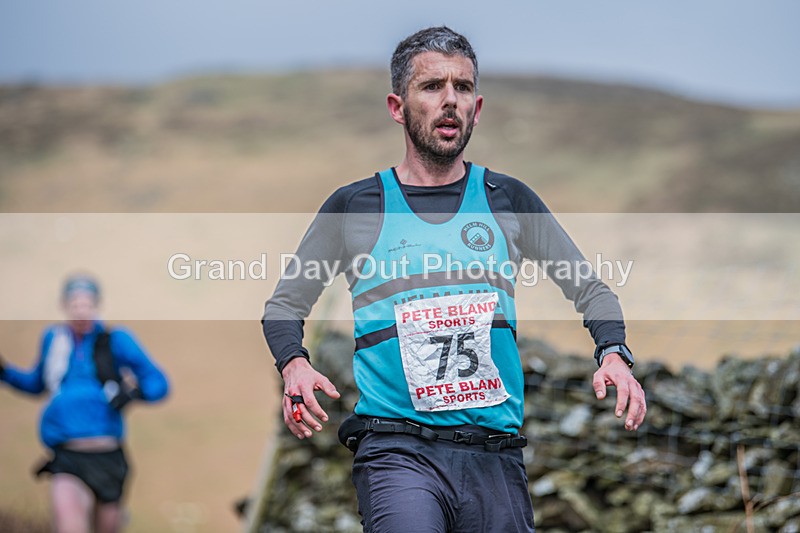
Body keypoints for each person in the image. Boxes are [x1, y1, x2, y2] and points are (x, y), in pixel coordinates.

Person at [263, 26, 646, 532]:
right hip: (397, 450)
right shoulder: (356, 206)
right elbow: (285, 306)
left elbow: (590, 288)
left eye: (462, 88)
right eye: (432, 87)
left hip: (494, 456)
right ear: (397, 107)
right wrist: (294, 366)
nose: (450, 101)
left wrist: (614, 353)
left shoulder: (508, 199)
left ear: (478, 107)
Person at [0, 274, 169, 533]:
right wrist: (6, 373)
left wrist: (134, 393)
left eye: (86, 304)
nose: (81, 310)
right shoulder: (53, 341)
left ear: (97, 306)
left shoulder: (116, 340)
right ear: (64, 306)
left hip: (108, 458)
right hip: (68, 458)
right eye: (75, 304)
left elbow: (159, 383)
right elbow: (37, 384)